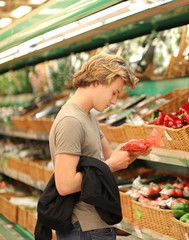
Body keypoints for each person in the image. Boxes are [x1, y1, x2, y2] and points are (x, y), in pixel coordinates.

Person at [48, 53, 145, 239]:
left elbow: (106, 158)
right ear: (96, 81)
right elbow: (65, 184)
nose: (114, 101)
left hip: (96, 225)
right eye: (114, 92)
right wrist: (113, 165)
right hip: (83, 229)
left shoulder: (88, 116)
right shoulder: (70, 121)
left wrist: (132, 150)